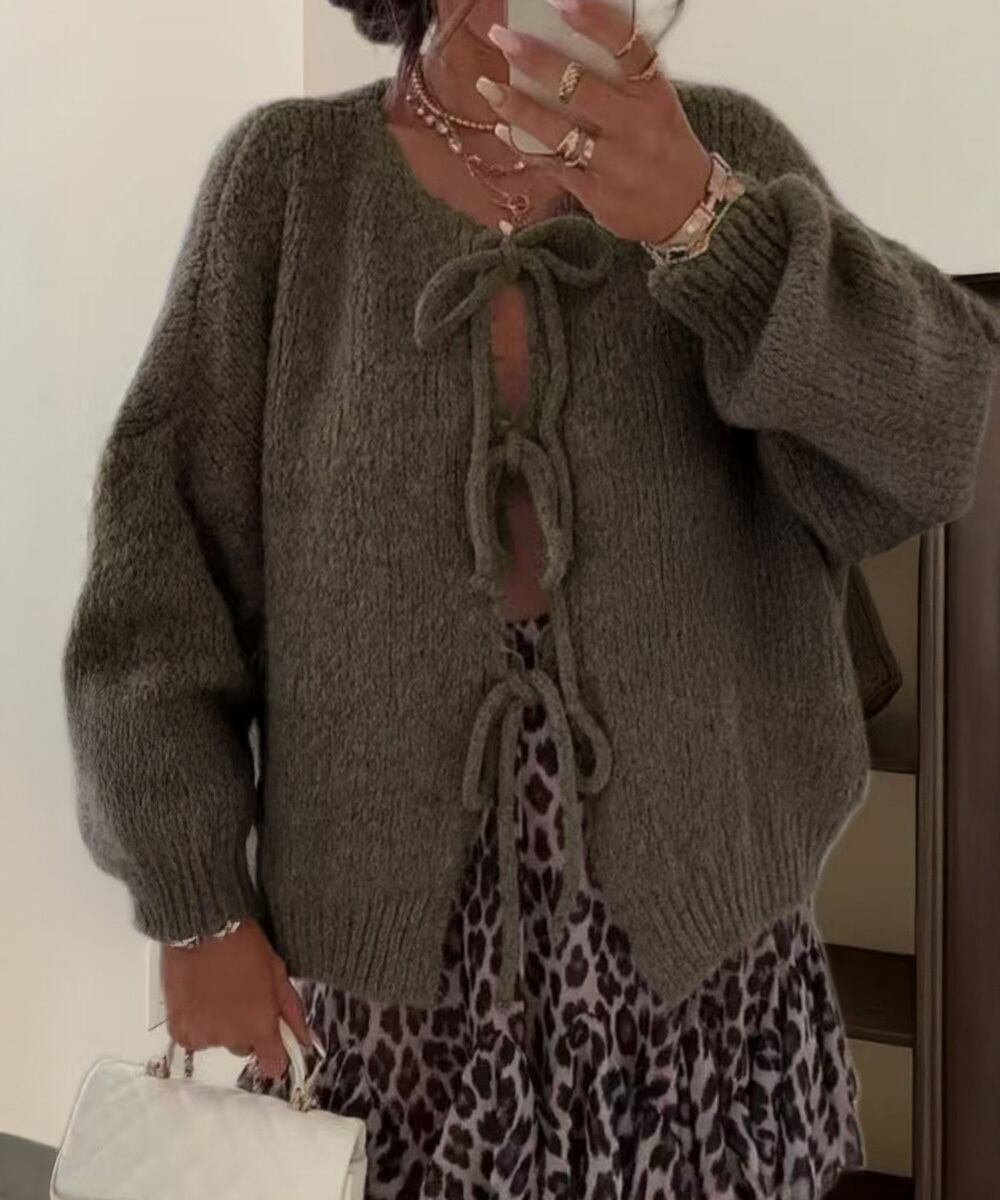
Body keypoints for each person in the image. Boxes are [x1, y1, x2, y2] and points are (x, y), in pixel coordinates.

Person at [61, 0, 1000, 1194]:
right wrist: (195, 904)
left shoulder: (719, 149)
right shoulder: (287, 186)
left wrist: (704, 220)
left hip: (703, 979)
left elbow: (932, 440)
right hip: (382, 996)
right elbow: (157, 577)